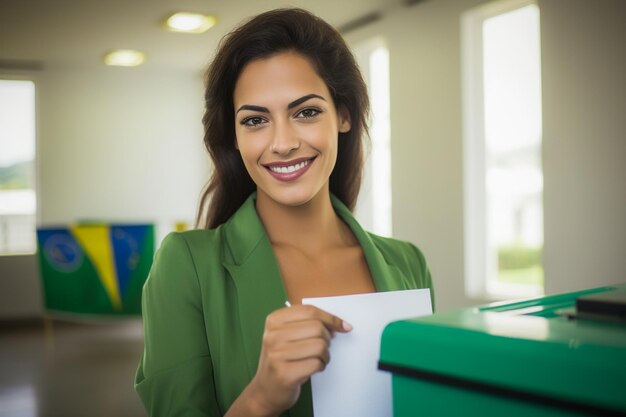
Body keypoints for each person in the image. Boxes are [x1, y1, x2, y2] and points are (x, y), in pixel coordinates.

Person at [134, 7, 433, 417]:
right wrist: (262, 397)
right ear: (235, 138)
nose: (282, 142)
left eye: (306, 111)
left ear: (343, 115)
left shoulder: (409, 263)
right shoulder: (185, 265)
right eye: (255, 120)